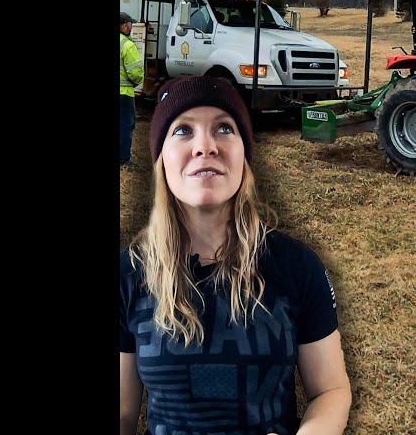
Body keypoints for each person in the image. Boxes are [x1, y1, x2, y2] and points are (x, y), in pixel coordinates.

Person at [120, 76, 351, 435]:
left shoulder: (297, 266)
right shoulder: (128, 273)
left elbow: (330, 390)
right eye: (183, 130)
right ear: (161, 158)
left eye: (224, 128)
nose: (205, 146)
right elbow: (123, 413)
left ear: (244, 154)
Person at [120, 12, 145, 167]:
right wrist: (135, 83)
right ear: (124, 26)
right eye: (130, 24)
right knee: (125, 125)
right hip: (124, 94)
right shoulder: (127, 45)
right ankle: (123, 159)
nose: (131, 27)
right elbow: (135, 73)